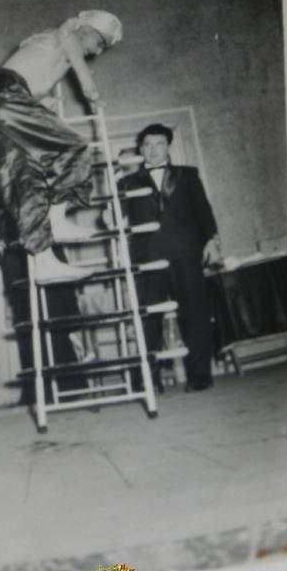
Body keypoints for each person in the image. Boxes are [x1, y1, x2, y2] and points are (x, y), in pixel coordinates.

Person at [0, 10, 123, 284]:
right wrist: (89, 88)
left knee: (24, 179)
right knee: (74, 148)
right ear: (87, 30)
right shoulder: (67, 31)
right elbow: (71, 43)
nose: (98, 52)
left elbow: (30, 76)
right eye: (100, 42)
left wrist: (42, 103)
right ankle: (57, 221)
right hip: (6, 93)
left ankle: (43, 261)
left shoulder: (54, 48)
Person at [118, 123, 221, 391]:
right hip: (147, 258)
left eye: (159, 144)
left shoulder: (188, 175)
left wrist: (212, 240)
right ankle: (149, 382)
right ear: (140, 149)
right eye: (147, 145)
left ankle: (200, 377)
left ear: (168, 147)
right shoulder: (126, 182)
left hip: (186, 253)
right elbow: (113, 219)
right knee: (149, 320)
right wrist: (110, 206)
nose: (153, 150)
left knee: (195, 314)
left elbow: (203, 210)